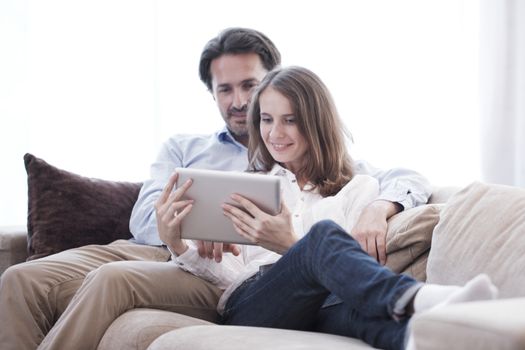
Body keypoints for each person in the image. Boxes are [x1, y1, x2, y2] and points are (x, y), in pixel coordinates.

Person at [0, 28, 429, 350]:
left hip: (234, 278)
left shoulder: (346, 180)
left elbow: (399, 179)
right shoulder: (203, 154)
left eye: (250, 87)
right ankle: (426, 305)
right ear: (213, 93)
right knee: (19, 278)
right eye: (226, 89)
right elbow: (150, 220)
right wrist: (180, 236)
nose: (240, 101)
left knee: (345, 291)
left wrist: (382, 206)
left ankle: (430, 320)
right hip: (168, 251)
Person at [159, 66, 498, 350]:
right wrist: (177, 244)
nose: (275, 133)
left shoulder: (359, 188)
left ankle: (423, 337)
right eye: (266, 119)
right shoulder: (246, 187)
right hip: (254, 303)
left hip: (325, 305)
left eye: (290, 120)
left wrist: (380, 208)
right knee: (322, 237)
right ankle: (420, 297)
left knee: (359, 314)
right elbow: (226, 277)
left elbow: (351, 272)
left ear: (315, 123)